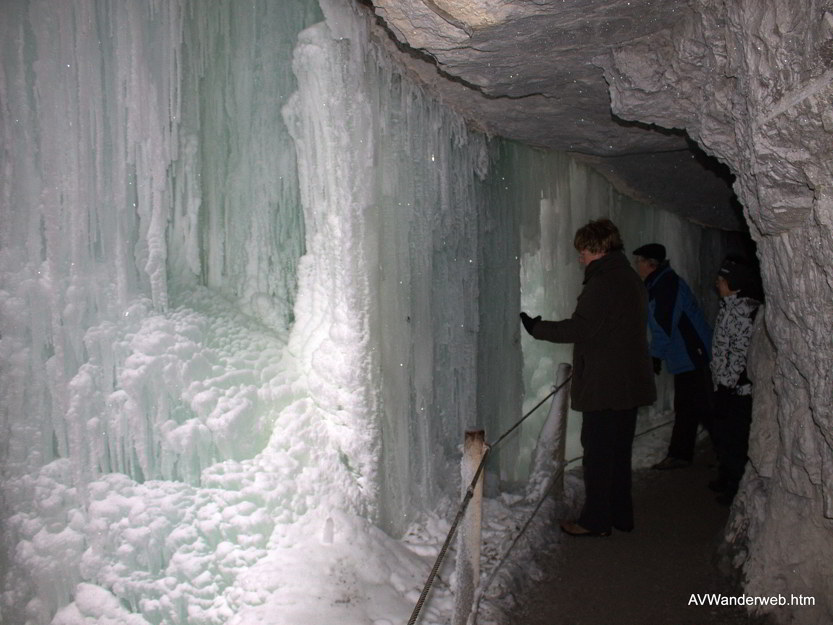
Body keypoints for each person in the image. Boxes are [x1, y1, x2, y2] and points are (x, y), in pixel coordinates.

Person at [520, 218, 656, 537]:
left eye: (582, 251)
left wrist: (537, 328)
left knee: (597, 456)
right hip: (628, 383)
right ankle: (620, 516)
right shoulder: (629, 278)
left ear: (596, 248)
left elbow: (580, 327)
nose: (579, 257)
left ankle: (594, 521)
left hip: (606, 384)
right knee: (618, 455)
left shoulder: (604, 282)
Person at [632, 243, 713, 470]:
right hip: (686, 355)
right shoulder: (659, 283)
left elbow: (664, 324)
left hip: (692, 354)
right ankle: (681, 455)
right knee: (691, 406)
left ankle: (729, 461)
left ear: (650, 264)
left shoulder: (665, 285)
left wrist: (655, 356)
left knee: (701, 407)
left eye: (639, 261)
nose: (636, 265)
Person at [709, 255, 762, 505]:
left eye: (722, 280)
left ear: (735, 283)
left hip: (735, 391)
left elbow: (740, 353)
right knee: (723, 435)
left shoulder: (743, 312)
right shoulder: (729, 307)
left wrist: (728, 385)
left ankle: (734, 487)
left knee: (734, 440)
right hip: (724, 385)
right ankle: (725, 476)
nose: (717, 284)